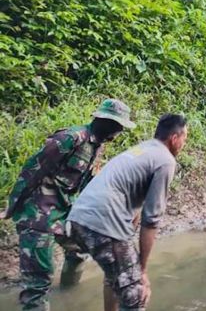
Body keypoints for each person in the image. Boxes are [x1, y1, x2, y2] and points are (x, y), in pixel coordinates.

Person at [2, 99, 135, 311]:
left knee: (79, 251)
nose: (120, 132)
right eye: (119, 127)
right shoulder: (69, 138)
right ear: (108, 122)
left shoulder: (96, 145)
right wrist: (13, 206)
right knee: (38, 283)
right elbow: (32, 170)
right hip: (38, 215)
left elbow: (85, 182)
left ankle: (68, 295)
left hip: (64, 213)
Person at [67, 113, 188, 311]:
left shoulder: (144, 149)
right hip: (102, 223)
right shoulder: (166, 160)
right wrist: (142, 269)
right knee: (136, 291)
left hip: (78, 218)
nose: (184, 143)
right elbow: (152, 221)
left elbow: (134, 204)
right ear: (174, 138)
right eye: (185, 138)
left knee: (116, 277)